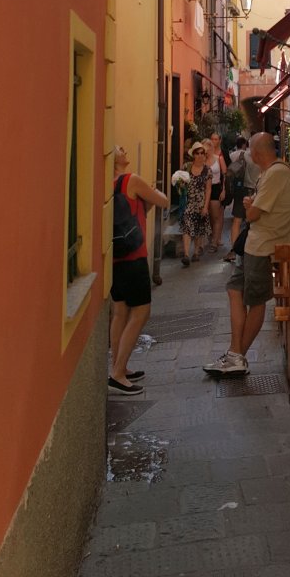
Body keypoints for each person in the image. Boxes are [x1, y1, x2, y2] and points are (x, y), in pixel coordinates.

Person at [203, 132, 290, 376]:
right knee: (234, 289)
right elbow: (255, 207)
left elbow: (254, 213)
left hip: (263, 245)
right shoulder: (270, 173)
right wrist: (251, 206)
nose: (248, 154)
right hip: (253, 244)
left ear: (256, 153)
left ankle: (236, 356)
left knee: (256, 301)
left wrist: (251, 207)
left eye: (250, 151)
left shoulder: (276, 174)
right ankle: (235, 354)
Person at [110, 145, 169, 395]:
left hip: (115, 257)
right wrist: (155, 190)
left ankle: (119, 366)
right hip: (134, 256)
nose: (124, 150)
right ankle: (118, 373)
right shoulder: (131, 180)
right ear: (116, 158)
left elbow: (140, 210)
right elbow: (163, 201)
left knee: (120, 313)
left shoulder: (109, 185)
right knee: (141, 312)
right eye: (120, 149)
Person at [223, 138, 260, 262]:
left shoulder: (243, 155)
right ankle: (252, 250)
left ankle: (234, 250)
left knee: (237, 220)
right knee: (254, 221)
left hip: (242, 190)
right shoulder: (262, 158)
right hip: (257, 191)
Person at [179, 143, 212, 265]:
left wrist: (206, 206)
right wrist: (180, 184)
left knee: (198, 228)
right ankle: (186, 254)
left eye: (202, 153)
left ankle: (196, 252)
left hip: (200, 203)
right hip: (188, 202)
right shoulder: (186, 167)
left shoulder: (207, 170)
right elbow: (180, 182)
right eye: (197, 153)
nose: (200, 155)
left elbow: (208, 189)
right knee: (187, 227)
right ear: (193, 155)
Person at [206, 132, 228, 252]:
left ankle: (215, 242)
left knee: (216, 216)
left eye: (215, 140)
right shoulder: (203, 159)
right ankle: (212, 238)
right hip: (205, 189)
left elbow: (225, 174)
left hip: (216, 188)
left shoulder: (219, 157)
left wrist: (223, 190)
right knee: (209, 216)